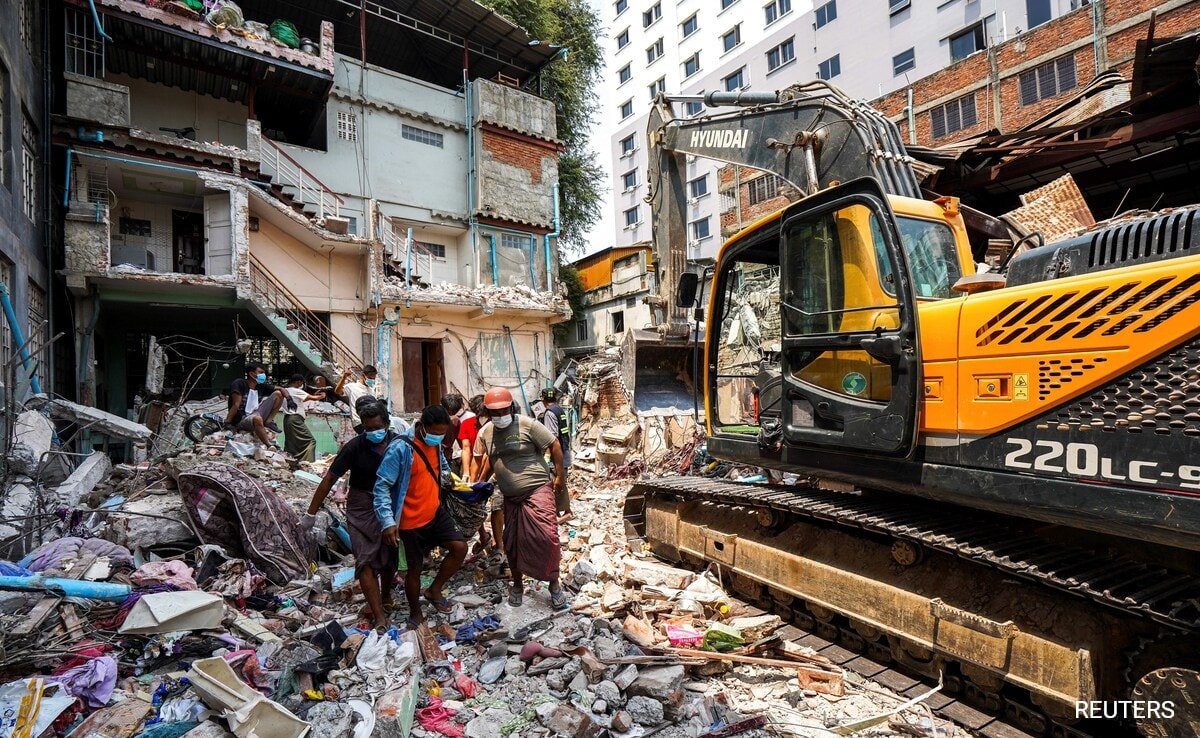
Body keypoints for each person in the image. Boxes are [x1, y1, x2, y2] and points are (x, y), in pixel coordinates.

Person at [472, 386, 568, 609]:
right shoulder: (486, 433)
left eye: (503, 411)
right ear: (488, 412)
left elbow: (554, 444)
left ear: (511, 408)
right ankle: (517, 585)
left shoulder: (528, 424)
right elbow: (491, 460)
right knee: (512, 542)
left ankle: (554, 584)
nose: (499, 416)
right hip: (511, 497)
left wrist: (560, 477)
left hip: (537, 490)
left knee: (547, 537)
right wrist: (480, 482)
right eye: (494, 413)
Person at [305, 401, 398, 630]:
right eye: (368, 429)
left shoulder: (399, 444)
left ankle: (386, 594)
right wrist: (310, 512)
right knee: (364, 561)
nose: (373, 433)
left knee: (389, 556)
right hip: (361, 507)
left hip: (390, 504)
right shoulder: (355, 447)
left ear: (386, 424)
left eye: (377, 427)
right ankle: (379, 616)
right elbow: (330, 478)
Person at [374, 405, 467, 626]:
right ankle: (415, 613)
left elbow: (441, 466)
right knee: (414, 570)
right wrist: (387, 522)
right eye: (434, 433)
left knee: (460, 547)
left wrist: (453, 481)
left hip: (434, 511)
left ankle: (434, 590)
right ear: (422, 426)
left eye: (442, 433)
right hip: (410, 521)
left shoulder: (435, 444)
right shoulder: (400, 448)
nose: (438, 437)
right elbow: (382, 486)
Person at [226, 362, 285, 447]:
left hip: (256, 413)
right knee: (257, 419)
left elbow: (281, 389)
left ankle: (268, 421)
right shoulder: (239, 383)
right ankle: (269, 445)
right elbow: (236, 404)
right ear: (251, 374)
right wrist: (228, 422)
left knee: (278, 394)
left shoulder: (260, 386)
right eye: (261, 372)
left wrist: (289, 399)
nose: (263, 375)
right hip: (243, 418)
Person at [539, 387, 574, 523]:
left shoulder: (549, 413)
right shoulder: (559, 409)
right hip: (564, 451)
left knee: (555, 482)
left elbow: (551, 438)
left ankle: (560, 512)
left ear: (543, 399)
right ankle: (564, 511)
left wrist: (547, 458)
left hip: (556, 454)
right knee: (561, 480)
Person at [282, 374, 324, 461]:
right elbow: (314, 398)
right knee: (310, 441)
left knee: (291, 444)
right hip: (295, 419)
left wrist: (314, 395)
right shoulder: (296, 390)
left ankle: (291, 461)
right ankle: (307, 463)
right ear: (298, 382)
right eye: (301, 383)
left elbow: (302, 399)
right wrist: (322, 395)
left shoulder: (286, 391)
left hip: (287, 419)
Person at [336, 366, 379, 433]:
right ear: (363, 376)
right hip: (358, 422)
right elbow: (337, 391)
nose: (372, 380)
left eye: (373, 379)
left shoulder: (372, 391)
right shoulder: (352, 387)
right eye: (370, 378)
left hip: (371, 422)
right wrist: (344, 377)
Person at [440, 393, 465, 475]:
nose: (450, 415)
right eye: (448, 412)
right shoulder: (433, 419)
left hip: (447, 457)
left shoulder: (455, 421)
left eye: (453, 412)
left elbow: (462, 442)